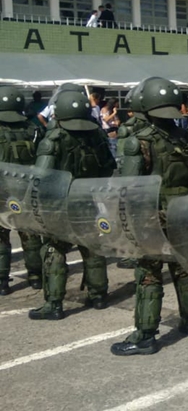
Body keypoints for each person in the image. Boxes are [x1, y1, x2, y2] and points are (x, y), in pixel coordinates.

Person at [110, 77, 188, 355]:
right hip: (185, 215)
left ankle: (145, 335)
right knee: (185, 270)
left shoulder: (138, 143)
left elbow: (128, 187)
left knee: (149, 274)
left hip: (153, 219)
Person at [29, 89, 116, 320]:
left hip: (60, 204)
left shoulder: (54, 139)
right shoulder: (96, 135)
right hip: (88, 201)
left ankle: (54, 303)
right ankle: (99, 295)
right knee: (92, 248)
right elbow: (108, 167)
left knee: (53, 249)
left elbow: (42, 176)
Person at [0, 86, 45, 295]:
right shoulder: (32, 129)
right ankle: (36, 276)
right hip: (25, 190)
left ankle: (2, 281)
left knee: (1, 236)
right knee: (30, 235)